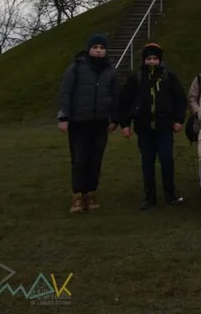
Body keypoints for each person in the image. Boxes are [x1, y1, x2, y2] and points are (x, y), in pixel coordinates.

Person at [57, 33, 119, 213]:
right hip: (79, 122)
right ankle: (77, 196)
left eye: (102, 48)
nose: (99, 51)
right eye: (95, 48)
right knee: (79, 160)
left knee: (95, 160)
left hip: (100, 123)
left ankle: (91, 194)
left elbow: (115, 96)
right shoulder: (76, 68)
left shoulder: (110, 71)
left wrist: (114, 118)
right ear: (89, 49)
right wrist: (63, 117)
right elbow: (66, 92)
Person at [119, 43, 186, 209]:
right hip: (144, 128)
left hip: (165, 126)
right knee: (147, 162)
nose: (152, 62)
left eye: (155, 58)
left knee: (166, 160)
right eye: (149, 58)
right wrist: (125, 124)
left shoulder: (169, 77)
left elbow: (180, 99)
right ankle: (149, 197)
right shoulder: (136, 78)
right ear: (144, 60)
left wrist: (178, 120)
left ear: (160, 60)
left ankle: (170, 195)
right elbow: (124, 101)